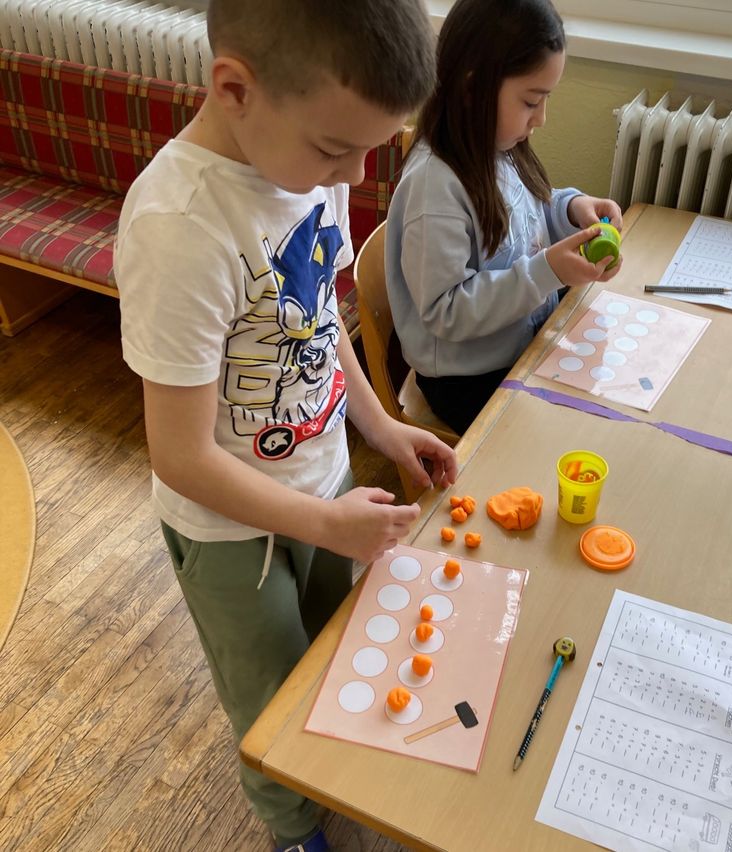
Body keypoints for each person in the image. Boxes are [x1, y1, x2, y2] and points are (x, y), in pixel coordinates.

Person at [115, 2, 456, 850]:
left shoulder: (312, 164)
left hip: (323, 482)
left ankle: (325, 778)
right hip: (232, 533)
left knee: (331, 658)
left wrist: (378, 424)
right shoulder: (181, 227)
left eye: (370, 149)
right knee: (270, 693)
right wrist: (322, 521)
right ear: (234, 87)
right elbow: (181, 455)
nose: (353, 170)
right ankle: (292, 827)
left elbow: (327, 321)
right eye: (339, 150)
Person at [385, 0, 624, 435]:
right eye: (532, 101)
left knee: (608, 391)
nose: (542, 119)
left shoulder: (496, 146)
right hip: (465, 379)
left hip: (517, 346)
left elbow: (527, 217)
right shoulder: (434, 187)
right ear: (473, 88)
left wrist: (571, 209)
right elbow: (447, 312)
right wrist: (546, 272)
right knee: (573, 427)